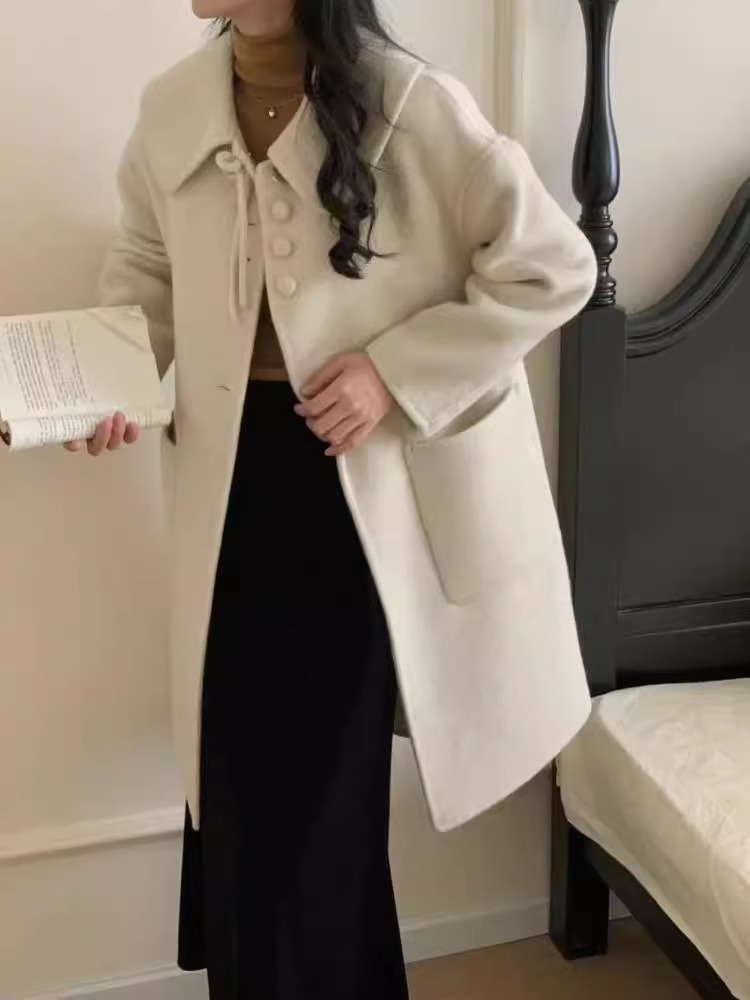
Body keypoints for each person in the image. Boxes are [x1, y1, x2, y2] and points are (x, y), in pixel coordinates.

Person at [69, 0, 598, 996]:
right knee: (234, 795)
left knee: (319, 811)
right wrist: (107, 380)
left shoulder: (412, 104)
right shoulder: (174, 108)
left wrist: (393, 372)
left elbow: (551, 266)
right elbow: (145, 266)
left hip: (355, 504)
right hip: (228, 497)